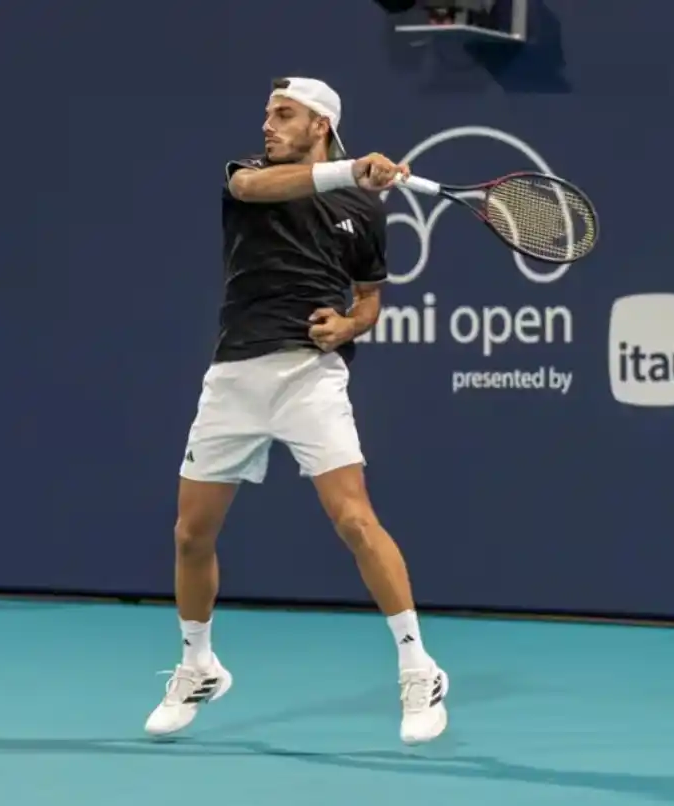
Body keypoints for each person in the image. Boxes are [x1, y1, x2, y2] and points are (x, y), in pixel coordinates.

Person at [144, 77, 449, 745]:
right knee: (190, 535)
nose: (267, 125)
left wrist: (347, 326)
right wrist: (349, 167)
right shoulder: (249, 178)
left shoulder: (365, 210)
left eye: (283, 115)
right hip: (233, 376)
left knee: (353, 520)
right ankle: (198, 664)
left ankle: (417, 665)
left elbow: (368, 301)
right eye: (266, 114)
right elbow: (257, 191)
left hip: (309, 378)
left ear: (319, 124)